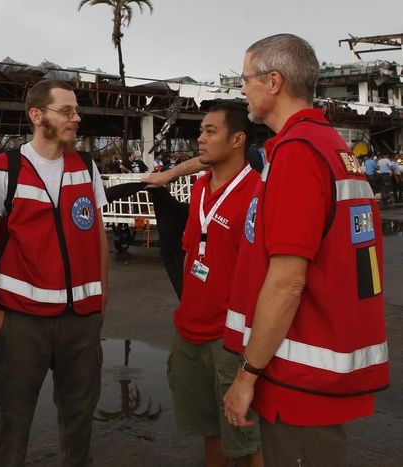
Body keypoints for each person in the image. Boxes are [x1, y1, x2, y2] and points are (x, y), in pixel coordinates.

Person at [222, 34, 389, 467]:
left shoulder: (298, 154)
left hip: (298, 377)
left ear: (273, 81)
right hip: (318, 367)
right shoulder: (329, 146)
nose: (243, 89)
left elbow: (287, 281)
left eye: (247, 78)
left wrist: (247, 374)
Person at [0, 79, 109, 466]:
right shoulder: (6, 170)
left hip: (82, 320)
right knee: (14, 420)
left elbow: (98, 236)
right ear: (37, 116)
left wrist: (102, 296)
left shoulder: (86, 166)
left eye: (76, 110)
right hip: (22, 320)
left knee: (79, 418)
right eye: (66, 111)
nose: (76, 118)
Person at [167, 103, 262, 467]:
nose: (200, 138)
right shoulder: (200, 187)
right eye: (201, 130)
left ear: (237, 139)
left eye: (210, 131)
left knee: (246, 438)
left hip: (231, 338)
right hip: (189, 330)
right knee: (210, 430)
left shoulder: (257, 193)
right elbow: (193, 253)